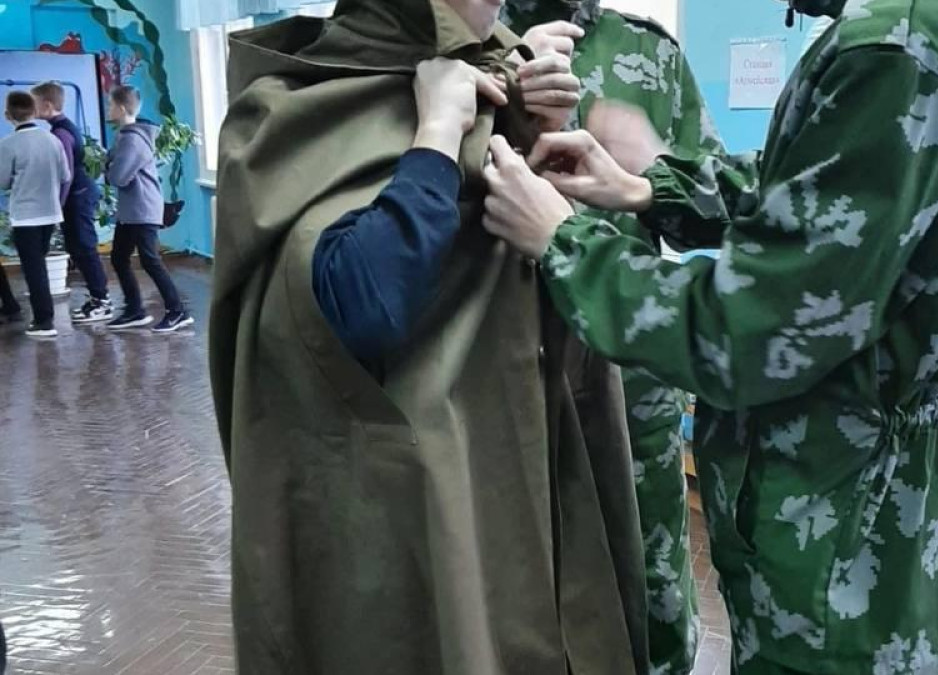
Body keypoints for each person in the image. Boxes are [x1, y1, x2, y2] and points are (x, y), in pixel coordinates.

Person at [482, 0, 938, 672]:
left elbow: (747, 331)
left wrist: (564, 240)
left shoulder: (896, 50)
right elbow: (822, 200)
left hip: (840, 543)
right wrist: (649, 189)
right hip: (891, 521)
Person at [209, 0, 648, 672]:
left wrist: (530, 122)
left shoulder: (499, 76)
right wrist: (438, 132)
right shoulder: (296, 105)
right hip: (410, 493)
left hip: (519, 456)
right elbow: (361, 303)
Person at [504, 4, 725, 673]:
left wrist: (650, 170)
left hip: (631, 395)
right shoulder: (465, 42)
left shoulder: (649, 53)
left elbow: (714, 214)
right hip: (503, 391)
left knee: (651, 599)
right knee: (516, 598)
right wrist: (502, 93)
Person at [104, 86, 192, 333]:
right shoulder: (125, 136)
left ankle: (178, 312)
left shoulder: (132, 140)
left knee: (150, 260)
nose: (108, 109)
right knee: (119, 258)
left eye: (111, 105)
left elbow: (117, 177)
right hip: (131, 211)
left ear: (122, 109)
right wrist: (110, 166)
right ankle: (135, 310)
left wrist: (109, 167)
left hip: (142, 210)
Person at [32, 81, 111, 323]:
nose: (32, 108)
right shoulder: (59, 129)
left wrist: (56, 207)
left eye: (35, 103)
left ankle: (102, 302)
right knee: (78, 249)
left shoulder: (61, 133)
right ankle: (96, 299)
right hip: (76, 196)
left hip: (78, 197)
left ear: (47, 105)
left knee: (85, 249)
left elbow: (65, 176)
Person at [0, 90, 71, 338]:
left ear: (8, 115)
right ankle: (44, 318)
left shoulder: (8, 144)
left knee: (34, 269)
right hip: (50, 213)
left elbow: (2, 181)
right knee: (38, 264)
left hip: (25, 216)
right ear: (34, 111)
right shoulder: (53, 140)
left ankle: (44, 321)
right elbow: (65, 176)